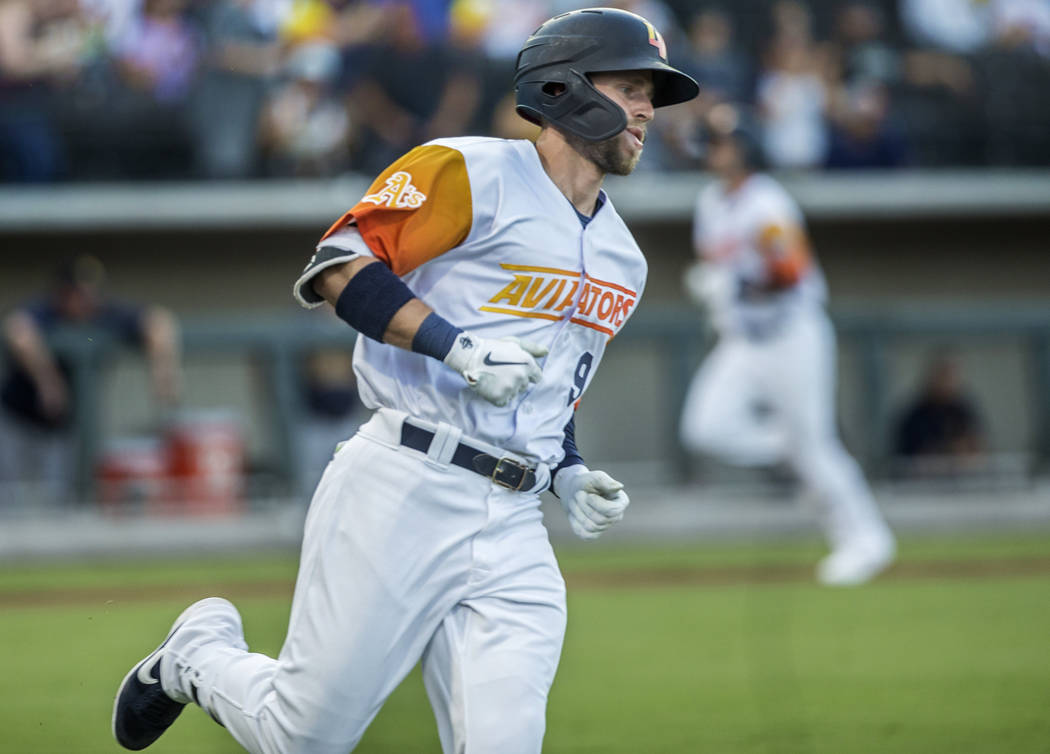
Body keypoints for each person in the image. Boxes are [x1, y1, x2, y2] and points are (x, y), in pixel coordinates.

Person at [112, 8, 698, 753]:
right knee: (302, 737)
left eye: (652, 93)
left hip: (516, 522)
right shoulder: (467, 170)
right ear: (564, 86)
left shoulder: (625, 257)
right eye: (632, 86)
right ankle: (196, 655)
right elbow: (339, 267)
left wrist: (570, 471)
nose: (649, 108)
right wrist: (457, 349)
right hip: (405, 484)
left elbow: (546, 388)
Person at [679, 103, 895, 586]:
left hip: (792, 334)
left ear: (747, 148)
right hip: (745, 339)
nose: (715, 151)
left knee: (817, 447)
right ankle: (785, 447)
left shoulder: (767, 203)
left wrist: (733, 288)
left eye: (723, 142)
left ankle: (866, 540)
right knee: (706, 428)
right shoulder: (710, 203)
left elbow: (791, 272)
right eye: (712, 143)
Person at [0, 255, 180, 504]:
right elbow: (17, 330)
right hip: (18, 420)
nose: (84, 299)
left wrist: (163, 374)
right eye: (76, 292)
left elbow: (159, 321)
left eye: (89, 292)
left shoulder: (104, 314)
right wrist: (48, 381)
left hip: (62, 427)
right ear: (62, 292)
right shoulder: (45, 312)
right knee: (9, 499)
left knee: (59, 500)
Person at [893, 351, 985, 475]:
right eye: (944, 375)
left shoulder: (964, 411)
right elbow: (909, 458)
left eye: (952, 375)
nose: (948, 381)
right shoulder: (914, 416)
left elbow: (977, 451)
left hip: (963, 483)